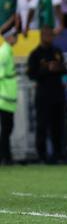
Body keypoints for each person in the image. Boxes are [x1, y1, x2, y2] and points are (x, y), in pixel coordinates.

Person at [27, 26, 67, 163]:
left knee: (58, 127)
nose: (49, 37)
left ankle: (58, 155)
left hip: (58, 95)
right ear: (42, 36)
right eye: (47, 35)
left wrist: (58, 67)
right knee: (42, 126)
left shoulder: (57, 52)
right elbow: (31, 74)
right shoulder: (35, 54)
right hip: (43, 96)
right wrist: (46, 69)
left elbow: (65, 69)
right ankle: (42, 156)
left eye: (51, 35)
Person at [0, 27, 18, 165]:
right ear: (7, 37)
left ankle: (6, 156)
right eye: (14, 35)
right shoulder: (4, 52)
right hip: (3, 98)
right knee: (5, 129)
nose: (16, 37)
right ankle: (5, 157)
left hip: (7, 98)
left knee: (7, 128)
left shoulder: (8, 50)